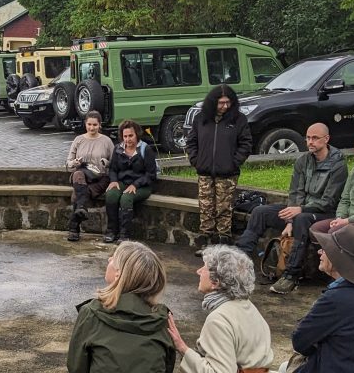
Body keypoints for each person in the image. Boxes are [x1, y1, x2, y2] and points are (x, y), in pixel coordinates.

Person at [232, 123, 347, 294]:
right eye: (308, 138)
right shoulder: (303, 160)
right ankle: (239, 260)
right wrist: (289, 220)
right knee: (260, 212)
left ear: (326, 139)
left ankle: (290, 276)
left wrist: (299, 212)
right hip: (299, 210)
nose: (310, 142)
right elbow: (295, 192)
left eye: (315, 138)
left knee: (302, 219)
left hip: (324, 213)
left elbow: (329, 201)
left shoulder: (338, 164)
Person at [284, 225, 354, 373]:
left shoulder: (337, 298)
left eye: (325, 248)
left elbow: (300, 342)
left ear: (337, 258)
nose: (320, 251)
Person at [67, 241, 176, 373]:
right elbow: (168, 365)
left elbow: (76, 367)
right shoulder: (163, 319)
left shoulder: (91, 314)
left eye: (114, 257)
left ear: (119, 273)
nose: (109, 259)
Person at [168, 245, 274, 373]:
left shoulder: (219, 319)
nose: (198, 271)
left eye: (205, 268)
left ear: (215, 282)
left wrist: (182, 348)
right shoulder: (248, 307)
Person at [186, 85, 252, 252]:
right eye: (221, 103)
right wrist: (196, 160)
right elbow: (191, 141)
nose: (225, 106)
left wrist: (233, 162)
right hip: (204, 171)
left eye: (228, 102)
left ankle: (223, 245)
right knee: (206, 208)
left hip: (227, 173)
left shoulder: (239, 119)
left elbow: (246, 144)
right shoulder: (201, 118)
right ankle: (205, 242)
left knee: (224, 208)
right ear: (213, 102)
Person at [103, 119, 158, 243]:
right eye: (125, 136)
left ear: (137, 134)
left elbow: (151, 174)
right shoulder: (118, 149)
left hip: (142, 185)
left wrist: (136, 184)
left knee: (126, 198)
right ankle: (111, 231)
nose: (128, 139)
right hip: (123, 182)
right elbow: (113, 169)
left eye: (131, 136)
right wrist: (113, 180)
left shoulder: (146, 149)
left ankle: (124, 234)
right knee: (111, 195)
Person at [65, 110, 115, 242]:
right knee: (78, 174)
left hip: (100, 178)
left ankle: (74, 228)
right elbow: (68, 163)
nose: (92, 128)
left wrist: (107, 163)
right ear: (85, 124)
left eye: (95, 125)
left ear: (100, 125)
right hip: (81, 175)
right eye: (89, 124)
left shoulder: (107, 141)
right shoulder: (78, 140)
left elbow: (115, 163)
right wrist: (74, 162)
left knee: (78, 195)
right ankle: (80, 211)